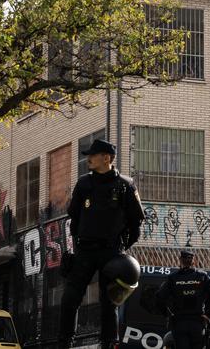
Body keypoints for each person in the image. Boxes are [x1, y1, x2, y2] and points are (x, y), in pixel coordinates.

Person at [60, 138, 145, 349]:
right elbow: (74, 217)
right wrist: (78, 245)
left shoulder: (125, 186)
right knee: (70, 299)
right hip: (85, 251)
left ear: (106, 158)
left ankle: (108, 344)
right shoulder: (83, 184)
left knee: (109, 304)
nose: (88, 159)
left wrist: (122, 248)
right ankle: (64, 343)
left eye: (92, 155)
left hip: (111, 253)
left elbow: (135, 223)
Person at [156, 250, 210, 349]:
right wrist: (209, 316)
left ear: (180, 260)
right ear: (194, 261)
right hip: (197, 323)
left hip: (179, 323)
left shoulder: (173, 278)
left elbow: (159, 298)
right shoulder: (202, 276)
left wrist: (168, 315)